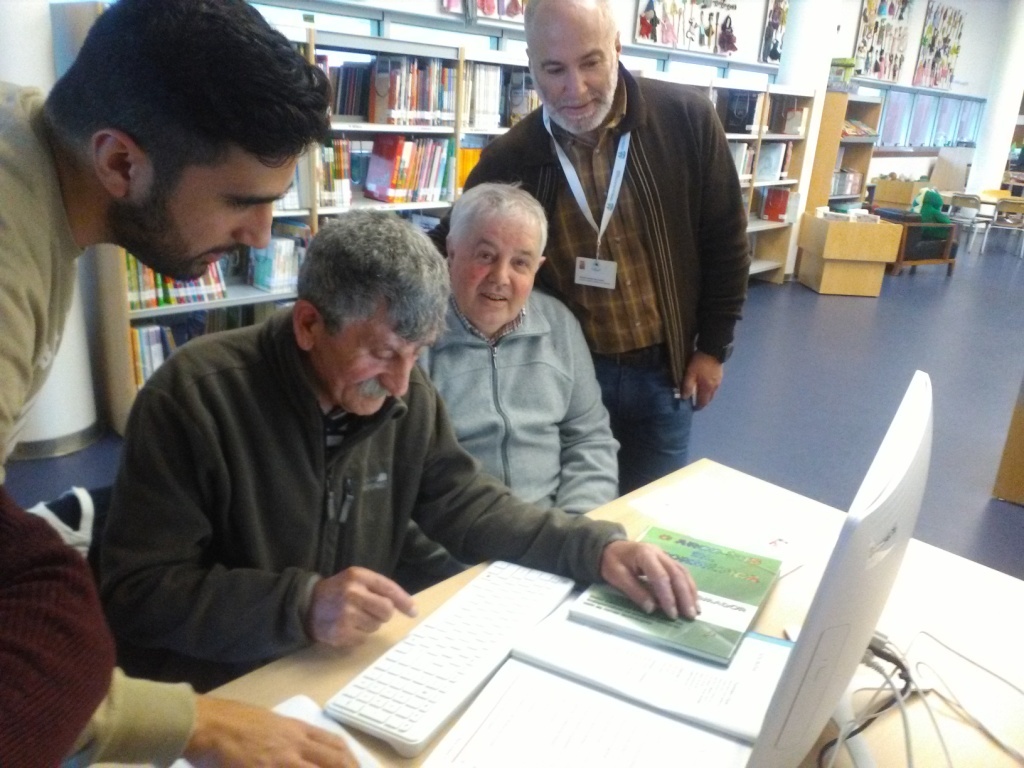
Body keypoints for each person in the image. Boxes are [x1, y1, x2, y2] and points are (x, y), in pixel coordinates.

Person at [100, 211, 700, 692]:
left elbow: (466, 503)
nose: (399, 383)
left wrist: (595, 548)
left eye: (417, 353)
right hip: (223, 690)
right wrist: (301, 605)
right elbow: (138, 593)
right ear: (308, 324)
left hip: (343, 667)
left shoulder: (406, 394)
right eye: (382, 353)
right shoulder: (194, 396)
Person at [0, 0, 358, 764]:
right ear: (120, 164)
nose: (259, 237)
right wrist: (196, 723)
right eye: (242, 202)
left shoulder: (31, 148)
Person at [430, 0, 750, 494]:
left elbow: (726, 241)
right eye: (554, 69)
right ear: (532, 65)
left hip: (665, 370)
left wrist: (712, 347)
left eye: (591, 63)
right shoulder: (511, 157)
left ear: (617, 48)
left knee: (651, 510)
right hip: (568, 372)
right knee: (578, 506)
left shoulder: (687, 120)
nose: (575, 89)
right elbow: (446, 244)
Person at [423, 182, 618, 513]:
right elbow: (403, 472)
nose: (500, 277)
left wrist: (577, 525)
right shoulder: (414, 338)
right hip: (456, 535)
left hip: (555, 524)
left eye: (520, 263)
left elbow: (589, 439)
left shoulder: (559, 325)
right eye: (486, 256)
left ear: (537, 268)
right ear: (451, 252)